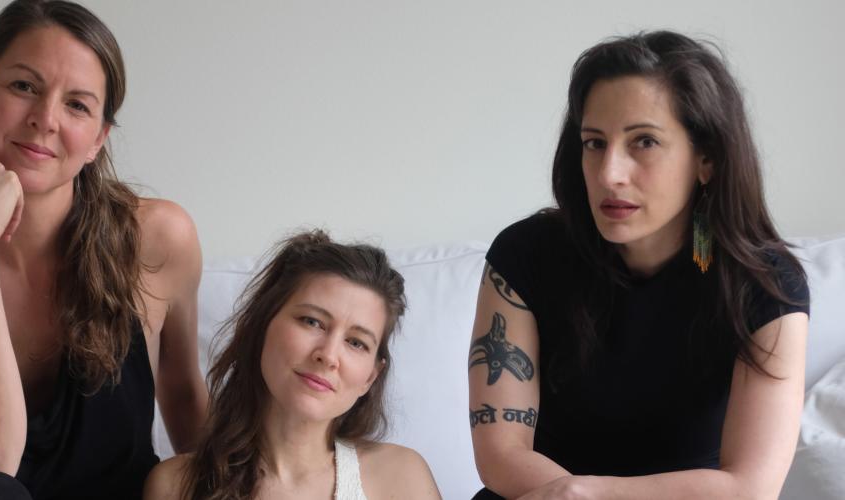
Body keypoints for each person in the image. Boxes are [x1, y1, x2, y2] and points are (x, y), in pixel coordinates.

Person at [0, 1, 207, 498]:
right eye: (24, 86)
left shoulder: (158, 236)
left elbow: (184, 401)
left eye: (77, 104)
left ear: (98, 137)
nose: (45, 119)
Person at [469, 31, 809, 499]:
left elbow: (751, 487)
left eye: (643, 141)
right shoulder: (527, 254)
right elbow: (500, 454)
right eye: (594, 143)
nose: (610, 173)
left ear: (706, 157)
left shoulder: (766, 284)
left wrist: (590, 495)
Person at [144, 230, 441, 500]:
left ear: (370, 377)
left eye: (356, 342)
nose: (328, 355)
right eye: (312, 322)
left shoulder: (402, 478)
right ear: (262, 327)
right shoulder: (174, 486)